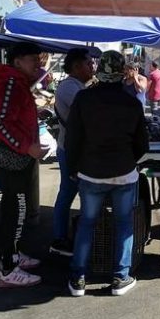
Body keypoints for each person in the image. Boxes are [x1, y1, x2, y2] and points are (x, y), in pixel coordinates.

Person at [65, 51, 148, 297]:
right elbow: (141, 144)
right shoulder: (132, 102)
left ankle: (77, 278)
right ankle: (120, 277)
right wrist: (128, 160)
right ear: (122, 72)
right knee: (124, 224)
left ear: (100, 71)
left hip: (90, 173)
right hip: (124, 174)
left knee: (87, 223)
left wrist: (72, 169)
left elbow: (72, 140)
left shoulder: (83, 98)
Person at [0, 43, 49, 288]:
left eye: (39, 59)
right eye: (33, 59)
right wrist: (27, 147)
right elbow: (1, 124)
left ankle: (13, 255)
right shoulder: (10, 84)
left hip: (16, 156)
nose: (39, 64)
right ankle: (7, 269)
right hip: (10, 157)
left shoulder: (16, 83)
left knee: (17, 209)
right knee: (16, 210)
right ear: (17, 61)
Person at [49, 48, 94, 257]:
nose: (92, 67)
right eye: (88, 64)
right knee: (68, 192)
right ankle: (59, 238)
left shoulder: (79, 86)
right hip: (70, 150)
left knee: (74, 192)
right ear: (76, 66)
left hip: (79, 149)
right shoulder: (69, 88)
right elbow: (89, 113)